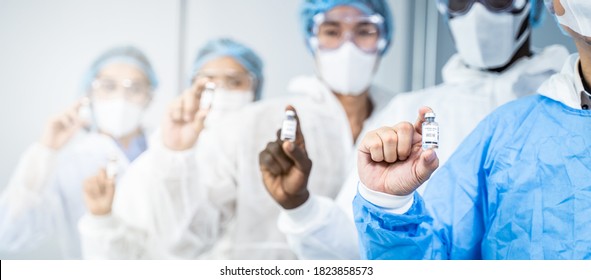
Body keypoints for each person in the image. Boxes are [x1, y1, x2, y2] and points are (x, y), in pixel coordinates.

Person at [78, 0, 395, 260]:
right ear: (312, 38)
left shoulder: (401, 115)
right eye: (332, 30)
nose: (348, 46)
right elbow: (178, 243)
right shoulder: (246, 129)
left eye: (364, 30)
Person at [264, 0, 570, 260]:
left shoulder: (572, 102)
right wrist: (301, 206)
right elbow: (359, 246)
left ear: (533, 6)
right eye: (461, 0)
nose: (477, 11)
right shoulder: (407, 112)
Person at [353, 0, 591, 259]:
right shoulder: (504, 133)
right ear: (553, 4)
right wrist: (390, 206)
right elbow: (429, 261)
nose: (478, 10)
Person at [0, 46, 158, 259]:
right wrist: (46, 150)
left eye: (135, 87)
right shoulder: (69, 163)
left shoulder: (170, 153)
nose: (121, 97)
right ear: (89, 93)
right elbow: (10, 233)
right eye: (108, 86)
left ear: (149, 95)